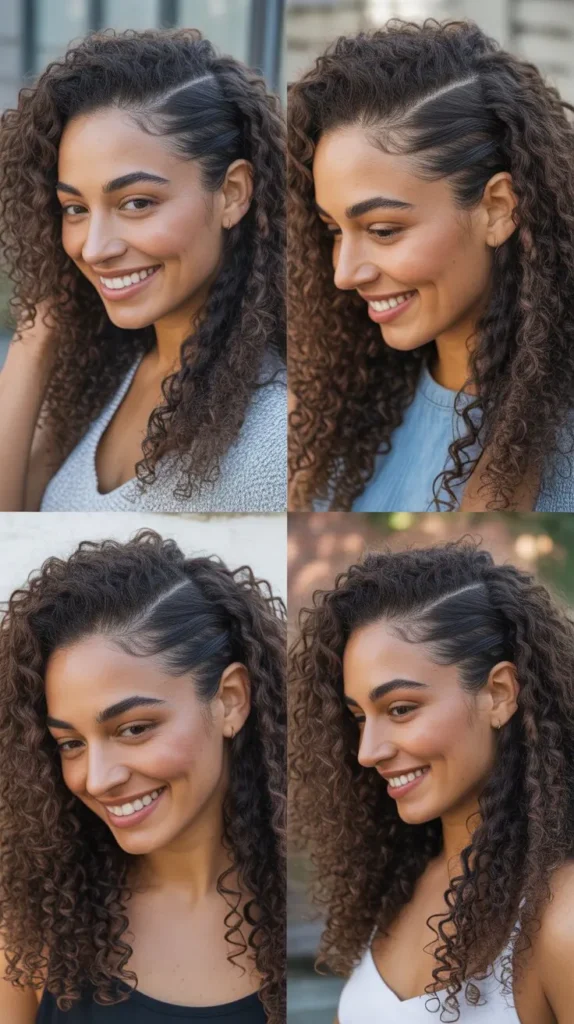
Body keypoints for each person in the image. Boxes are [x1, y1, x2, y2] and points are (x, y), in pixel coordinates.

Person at [288, 18, 574, 512]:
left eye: (383, 230)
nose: (345, 274)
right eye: (334, 231)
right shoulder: (331, 409)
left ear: (498, 208)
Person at [0, 530, 286, 1023]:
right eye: (71, 743)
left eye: (133, 729)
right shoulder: (32, 927)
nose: (97, 779)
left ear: (230, 700)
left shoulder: (304, 910)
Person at [0, 28, 286, 513]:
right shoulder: (104, 370)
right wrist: (35, 340)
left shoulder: (276, 431)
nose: (94, 248)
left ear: (233, 193)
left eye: (136, 203)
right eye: (75, 208)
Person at [290, 541, 574, 1022]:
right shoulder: (398, 880)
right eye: (359, 717)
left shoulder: (560, 918)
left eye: (400, 709)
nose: (367, 751)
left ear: (499, 694)